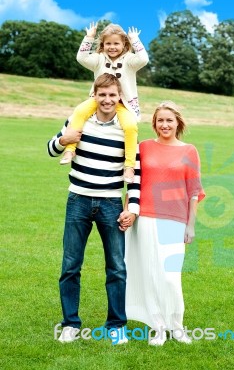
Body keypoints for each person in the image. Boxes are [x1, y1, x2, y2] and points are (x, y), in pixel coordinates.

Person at [47, 73, 140, 344]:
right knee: (71, 265)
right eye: (103, 94)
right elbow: (50, 148)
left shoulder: (126, 127)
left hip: (111, 203)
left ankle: (116, 325)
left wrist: (131, 208)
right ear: (94, 95)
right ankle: (70, 324)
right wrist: (63, 141)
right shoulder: (78, 120)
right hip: (78, 200)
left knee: (116, 268)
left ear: (119, 97)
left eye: (112, 95)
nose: (107, 100)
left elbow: (134, 172)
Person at [118, 101, 205, 346]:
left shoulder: (189, 150)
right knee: (150, 274)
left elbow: (194, 191)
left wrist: (191, 224)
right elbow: (133, 183)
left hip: (175, 221)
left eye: (169, 120)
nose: (164, 125)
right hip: (144, 218)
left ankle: (176, 325)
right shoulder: (143, 147)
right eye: (160, 120)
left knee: (170, 276)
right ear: (154, 123)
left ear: (178, 123)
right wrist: (128, 211)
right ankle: (157, 326)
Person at [60, 22, 149, 184]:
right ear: (102, 44)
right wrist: (89, 37)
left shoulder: (129, 60)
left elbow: (143, 59)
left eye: (116, 43)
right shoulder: (99, 59)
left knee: (130, 127)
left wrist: (135, 39)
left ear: (124, 44)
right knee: (78, 113)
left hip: (123, 104)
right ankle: (70, 150)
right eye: (108, 43)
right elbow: (81, 58)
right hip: (98, 100)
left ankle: (129, 166)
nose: (112, 47)